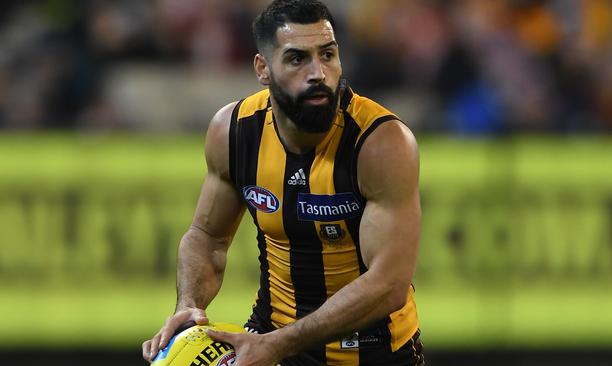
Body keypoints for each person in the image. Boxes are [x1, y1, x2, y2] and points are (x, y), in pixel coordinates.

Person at [142, 0, 423, 365]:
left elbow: (388, 286)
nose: (318, 73)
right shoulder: (234, 131)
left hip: (374, 352)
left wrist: (279, 344)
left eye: (328, 54)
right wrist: (189, 306)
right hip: (272, 337)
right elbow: (208, 237)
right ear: (263, 68)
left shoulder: (380, 143)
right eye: (296, 59)